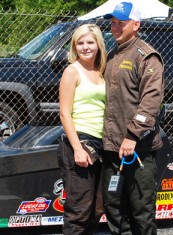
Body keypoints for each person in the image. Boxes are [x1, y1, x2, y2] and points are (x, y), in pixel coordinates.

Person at [102, 2, 164, 234]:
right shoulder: (111, 54)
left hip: (138, 149)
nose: (115, 27)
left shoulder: (147, 56)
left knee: (141, 212)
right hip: (110, 148)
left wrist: (132, 134)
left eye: (121, 22)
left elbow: (151, 100)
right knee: (115, 210)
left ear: (136, 25)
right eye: (113, 22)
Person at [57, 23, 106, 235]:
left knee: (97, 208)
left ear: (99, 45)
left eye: (90, 42)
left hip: (104, 144)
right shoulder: (72, 71)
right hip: (80, 142)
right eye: (80, 43)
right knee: (79, 211)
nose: (85, 47)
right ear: (74, 46)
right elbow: (64, 114)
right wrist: (77, 148)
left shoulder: (102, 71)